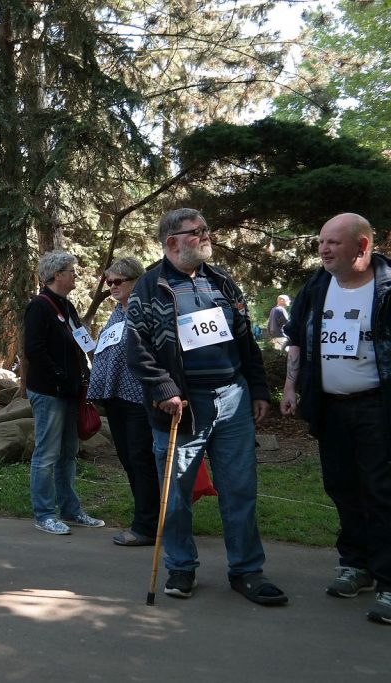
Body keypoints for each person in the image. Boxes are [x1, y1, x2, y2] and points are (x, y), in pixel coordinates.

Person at [126, 208, 286, 605]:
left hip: (232, 399)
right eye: (196, 232)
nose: (205, 235)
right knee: (176, 495)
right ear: (172, 242)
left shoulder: (223, 283)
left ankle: (247, 570)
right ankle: (181, 567)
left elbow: (246, 341)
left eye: (205, 229)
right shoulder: (149, 288)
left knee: (240, 489)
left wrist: (259, 390)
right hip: (181, 407)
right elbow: (137, 350)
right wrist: (164, 388)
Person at [280, 213, 391, 625]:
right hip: (330, 407)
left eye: (333, 242)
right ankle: (355, 565)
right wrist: (291, 388)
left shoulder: (387, 287)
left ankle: (388, 580)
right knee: (341, 486)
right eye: (321, 241)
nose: (323, 249)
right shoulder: (317, 286)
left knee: (381, 491)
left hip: (376, 408)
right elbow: (296, 340)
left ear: (362, 246)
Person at [23, 251, 104, 535]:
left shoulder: (66, 307)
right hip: (49, 393)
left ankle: (70, 510)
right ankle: (44, 514)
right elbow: (34, 350)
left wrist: (90, 373)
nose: (75, 275)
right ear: (57, 275)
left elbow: (82, 342)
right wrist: (59, 376)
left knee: (68, 453)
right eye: (71, 271)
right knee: (46, 454)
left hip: (72, 392)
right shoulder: (39, 307)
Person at [87, 257, 159, 546]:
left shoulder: (148, 310)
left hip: (140, 399)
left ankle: (147, 526)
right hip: (115, 398)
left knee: (142, 460)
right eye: (109, 282)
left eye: (120, 281)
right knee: (129, 460)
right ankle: (147, 518)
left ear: (136, 281)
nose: (113, 286)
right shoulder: (117, 313)